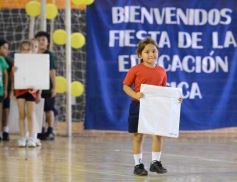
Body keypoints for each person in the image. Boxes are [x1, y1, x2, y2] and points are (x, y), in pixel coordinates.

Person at [123, 38, 169, 176]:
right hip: (138, 106)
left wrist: (175, 97)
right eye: (147, 51)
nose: (151, 54)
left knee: (158, 135)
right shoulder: (135, 70)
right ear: (139, 55)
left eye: (154, 51)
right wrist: (135, 95)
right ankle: (138, 165)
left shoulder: (162, 71)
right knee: (138, 136)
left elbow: (164, 89)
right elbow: (125, 86)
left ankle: (156, 163)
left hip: (156, 107)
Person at [13, 40, 41, 147]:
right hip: (20, 91)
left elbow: (39, 78)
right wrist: (15, 70)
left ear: (31, 51)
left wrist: (37, 90)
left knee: (30, 115)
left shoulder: (36, 63)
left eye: (28, 50)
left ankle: (31, 138)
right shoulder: (17, 62)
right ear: (20, 51)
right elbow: (14, 75)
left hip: (31, 91)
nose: (25, 52)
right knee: (21, 115)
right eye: (23, 50)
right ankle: (22, 137)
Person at [35, 31, 57, 140]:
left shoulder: (49, 54)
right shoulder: (33, 54)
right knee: (39, 109)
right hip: (36, 86)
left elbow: (52, 71)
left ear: (47, 42)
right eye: (39, 40)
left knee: (49, 109)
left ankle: (50, 130)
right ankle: (40, 129)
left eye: (43, 40)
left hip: (47, 86)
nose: (41, 42)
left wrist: (54, 87)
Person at [0, 39, 12, 141]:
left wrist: (9, 89)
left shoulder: (8, 60)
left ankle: (5, 130)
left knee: (6, 109)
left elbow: (10, 74)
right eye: (4, 48)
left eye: (7, 48)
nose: (6, 50)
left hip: (5, 89)